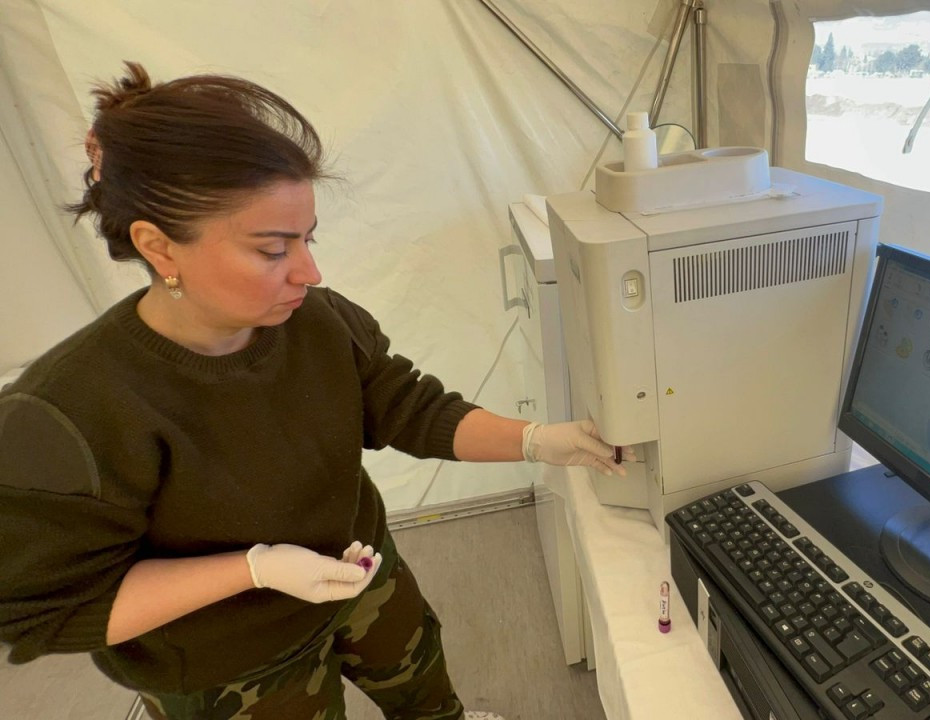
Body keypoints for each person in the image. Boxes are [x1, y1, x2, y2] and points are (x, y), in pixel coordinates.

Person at [0, 61, 634, 720]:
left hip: (361, 574)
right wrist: (254, 568)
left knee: (426, 697)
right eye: (274, 250)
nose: (310, 271)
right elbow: (46, 609)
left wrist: (536, 440)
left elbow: (408, 408)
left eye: (307, 239)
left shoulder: (317, 321)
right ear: (160, 248)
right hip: (227, 661)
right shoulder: (67, 412)